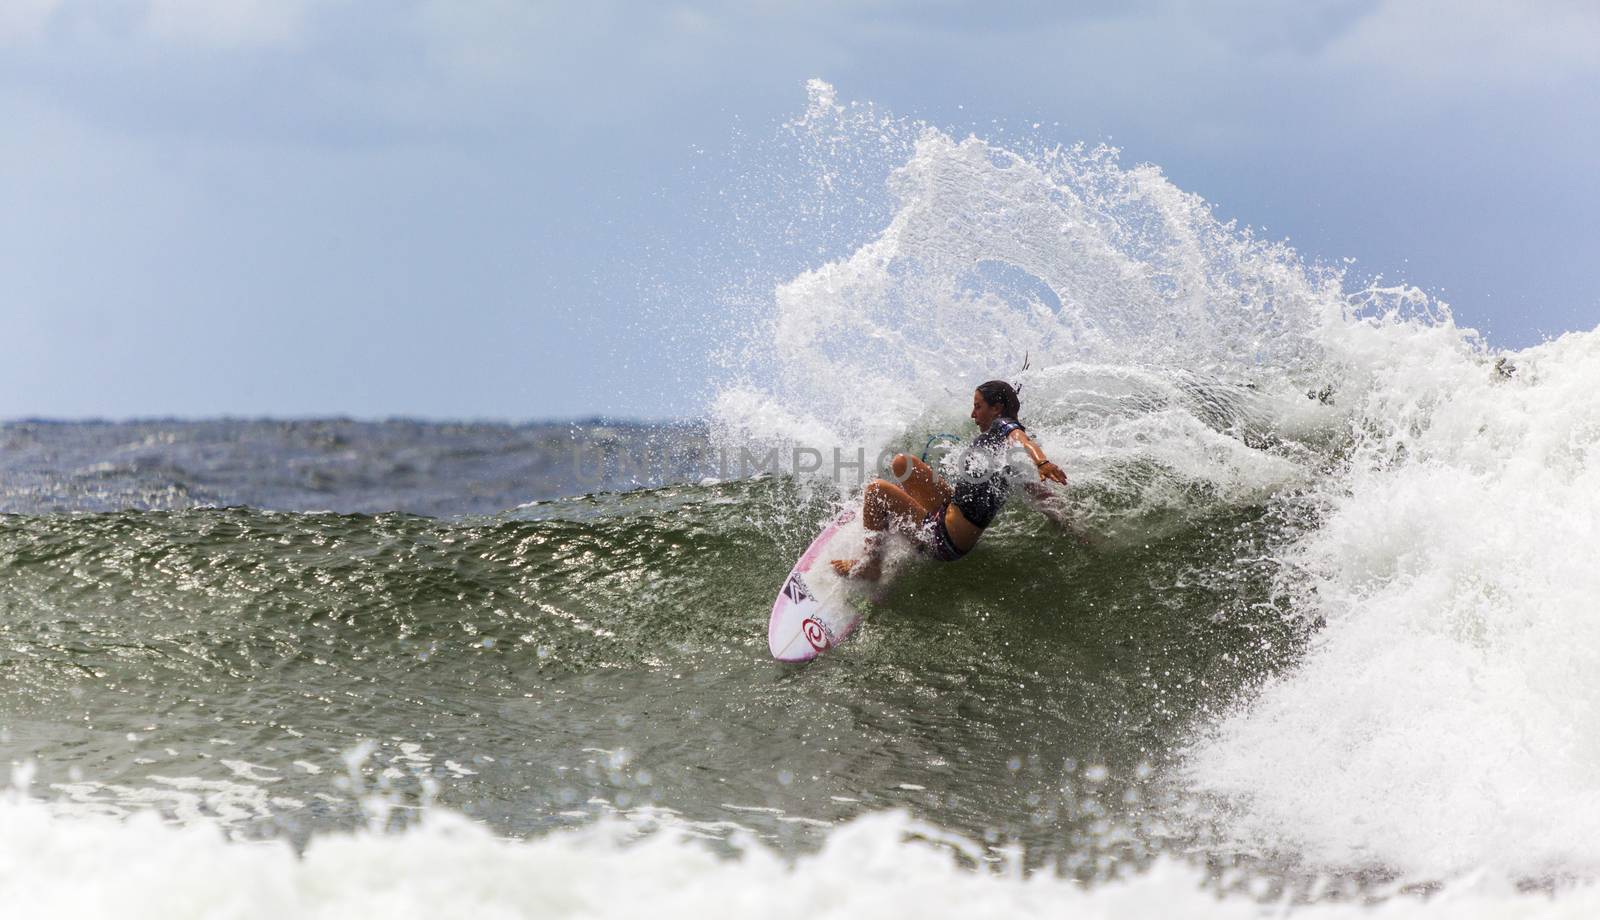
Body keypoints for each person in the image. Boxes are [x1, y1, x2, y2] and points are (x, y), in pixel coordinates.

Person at [831, 380, 1067, 580]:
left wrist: (1042, 463)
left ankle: (871, 565)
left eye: (978, 407)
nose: (973, 415)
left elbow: (1021, 438)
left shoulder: (1004, 427)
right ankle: (897, 511)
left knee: (875, 490)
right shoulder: (1006, 454)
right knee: (903, 463)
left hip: (944, 540)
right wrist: (1064, 521)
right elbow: (1035, 489)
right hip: (948, 513)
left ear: (996, 409)